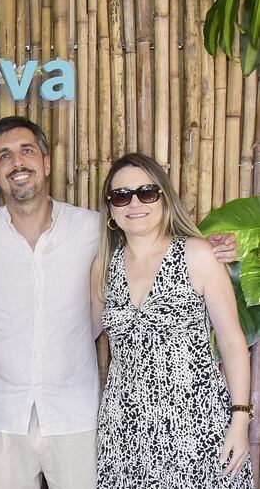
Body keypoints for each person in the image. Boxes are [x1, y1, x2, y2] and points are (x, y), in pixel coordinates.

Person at [0, 116, 238, 488]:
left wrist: (216, 244)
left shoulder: (92, 229)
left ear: (46, 163)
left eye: (27, 151)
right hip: (4, 416)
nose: (17, 162)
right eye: (4, 156)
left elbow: (154, 239)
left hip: (76, 414)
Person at [90, 153, 254, 488]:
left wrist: (240, 420)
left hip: (196, 424)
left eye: (146, 192)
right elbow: (83, 335)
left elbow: (233, 342)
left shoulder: (197, 254)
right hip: (125, 432)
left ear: (164, 198)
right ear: (110, 209)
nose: (134, 203)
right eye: (121, 195)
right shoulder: (103, 267)